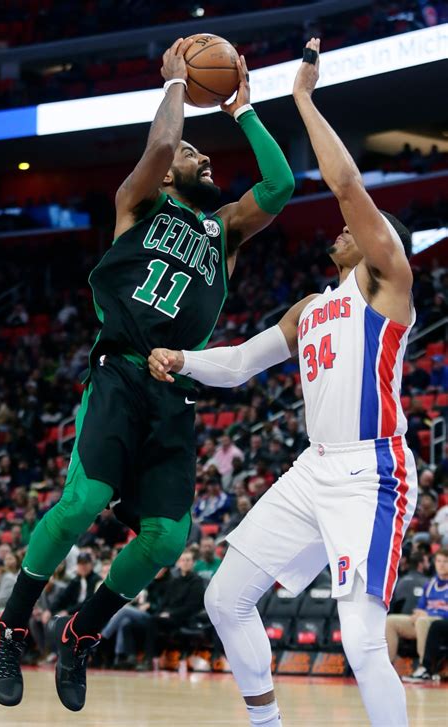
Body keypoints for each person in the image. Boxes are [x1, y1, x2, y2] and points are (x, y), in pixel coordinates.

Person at [0, 38, 295, 712]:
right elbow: (160, 147)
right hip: (120, 372)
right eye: (194, 154)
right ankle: (9, 627)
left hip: (174, 391)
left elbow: (280, 187)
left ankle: (81, 633)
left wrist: (243, 110)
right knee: (83, 501)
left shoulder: (223, 232)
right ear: (167, 175)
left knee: (167, 537)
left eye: (203, 154)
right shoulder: (138, 202)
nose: (203, 158)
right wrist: (177, 84)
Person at [148, 39, 417, 727]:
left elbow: (348, 187)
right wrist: (184, 358)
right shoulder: (311, 307)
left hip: (372, 473)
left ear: (383, 240)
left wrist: (300, 98)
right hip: (313, 469)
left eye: (358, 227)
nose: (343, 226)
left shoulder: (387, 284)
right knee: (224, 597)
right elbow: (241, 363)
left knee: (362, 640)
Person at [386, 548, 448, 682]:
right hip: (425, 621)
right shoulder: (430, 584)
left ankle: (424, 667)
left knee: (422, 621)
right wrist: (417, 613)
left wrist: (427, 613)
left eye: (445, 561)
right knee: (390, 621)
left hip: (441, 623)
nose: (441, 565)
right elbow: (420, 606)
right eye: (439, 561)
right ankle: (386, 666)